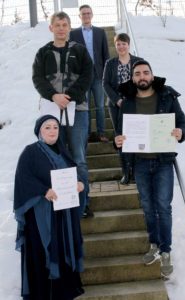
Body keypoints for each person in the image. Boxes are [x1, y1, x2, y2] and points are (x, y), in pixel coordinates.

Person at [115, 60, 185, 277]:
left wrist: (180, 133)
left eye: (146, 72)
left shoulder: (167, 96)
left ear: (152, 75)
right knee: (147, 206)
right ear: (133, 78)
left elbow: (182, 123)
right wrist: (117, 140)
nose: (142, 76)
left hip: (164, 161)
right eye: (137, 73)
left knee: (163, 206)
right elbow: (119, 133)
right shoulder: (127, 101)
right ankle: (154, 244)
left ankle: (166, 250)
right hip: (139, 163)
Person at [14, 115, 85, 300]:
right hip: (40, 216)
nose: (53, 131)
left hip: (64, 214)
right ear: (39, 131)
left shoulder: (64, 151)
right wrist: (44, 191)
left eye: (55, 127)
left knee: (63, 250)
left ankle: (65, 290)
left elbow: (75, 174)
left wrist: (79, 184)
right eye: (47, 127)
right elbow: (23, 180)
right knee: (45, 251)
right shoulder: (30, 152)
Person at [32, 12, 93, 218]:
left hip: (79, 110)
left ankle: (83, 204)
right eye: (57, 24)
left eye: (64, 24)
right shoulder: (43, 53)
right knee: (55, 157)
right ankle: (61, 202)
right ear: (51, 28)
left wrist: (69, 96)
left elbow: (88, 76)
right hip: (52, 111)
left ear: (69, 27)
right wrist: (53, 96)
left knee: (79, 158)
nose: (60, 28)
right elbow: (37, 79)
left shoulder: (81, 51)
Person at [103, 33, 143, 184]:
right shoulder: (110, 63)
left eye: (123, 43)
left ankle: (137, 172)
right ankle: (126, 173)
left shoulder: (139, 61)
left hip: (135, 104)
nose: (121, 46)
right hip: (116, 106)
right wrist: (118, 100)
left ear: (128, 44)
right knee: (121, 138)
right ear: (115, 45)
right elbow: (105, 84)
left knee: (137, 136)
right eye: (118, 44)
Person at [70, 4, 109, 142]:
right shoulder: (73, 34)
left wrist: (106, 73)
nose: (86, 15)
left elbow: (106, 55)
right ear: (79, 16)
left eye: (88, 13)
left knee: (99, 105)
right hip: (82, 77)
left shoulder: (100, 32)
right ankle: (86, 134)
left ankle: (101, 133)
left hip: (98, 75)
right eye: (83, 13)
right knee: (84, 107)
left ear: (92, 15)